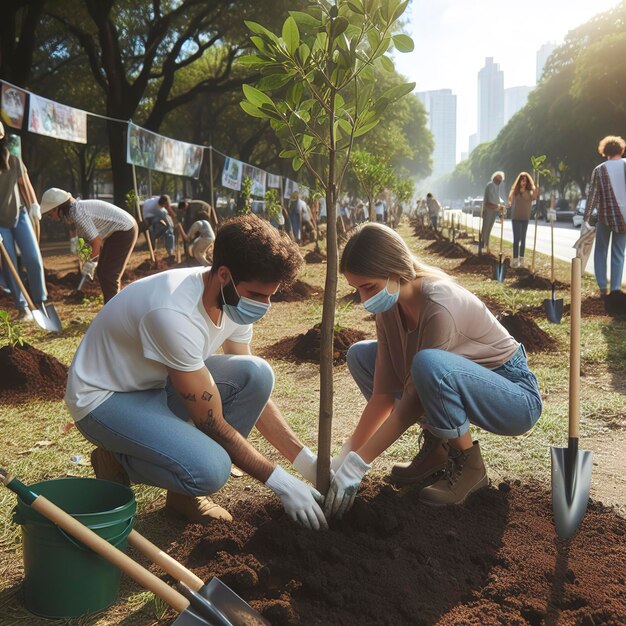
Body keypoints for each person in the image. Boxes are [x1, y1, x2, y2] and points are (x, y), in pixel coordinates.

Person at [65, 214, 326, 530]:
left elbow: (250, 388)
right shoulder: (173, 313)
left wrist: (306, 463)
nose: (264, 305)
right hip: (105, 399)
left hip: (155, 383)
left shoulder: (233, 301)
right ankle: (118, 460)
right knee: (212, 470)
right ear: (224, 275)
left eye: (271, 295)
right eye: (258, 295)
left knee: (257, 374)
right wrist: (281, 482)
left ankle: (182, 496)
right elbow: (211, 422)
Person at [322, 223, 542, 518]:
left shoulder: (440, 305)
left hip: (513, 396)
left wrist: (359, 464)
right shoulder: (389, 308)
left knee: (427, 365)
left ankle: (469, 465)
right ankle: (437, 448)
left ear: (395, 270)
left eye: (369, 287)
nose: (363, 299)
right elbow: (384, 395)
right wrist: (345, 455)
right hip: (454, 378)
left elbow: (412, 402)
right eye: (357, 289)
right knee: (361, 355)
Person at [41, 188, 139, 304]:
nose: (50, 217)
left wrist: (92, 262)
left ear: (57, 207)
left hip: (124, 230)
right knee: (103, 272)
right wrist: (87, 258)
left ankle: (114, 312)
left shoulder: (77, 213)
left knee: (109, 275)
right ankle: (111, 308)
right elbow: (88, 239)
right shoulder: (73, 212)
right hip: (116, 232)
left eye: (50, 213)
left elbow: (96, 242)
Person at [0, 121, 48, 321]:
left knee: (34, 259)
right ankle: (23, 308)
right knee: (10, 264)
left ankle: (40, 302)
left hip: (20, 216)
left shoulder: (14, 159)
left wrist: (34, 205)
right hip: (0, 223)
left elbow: (25, 184)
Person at [584, 135, 626, 312]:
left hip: (605, 218)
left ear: (604, 151)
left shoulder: (599, 170)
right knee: (618, 253)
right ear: (621, 149)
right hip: (624, 219)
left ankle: (602, 287)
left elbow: (593, 196)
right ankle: (615, 289)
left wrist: (586, 217)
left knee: (600, 251)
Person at [507, 172, 538, 268]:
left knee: (523, 239)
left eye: (525, 180)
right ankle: (515, 260)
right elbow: (510, 201)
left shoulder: (530, 192)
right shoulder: (515, 191)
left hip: (525, 218)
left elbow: (534, 197)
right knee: (517, 239)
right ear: (519, 181)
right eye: (522, 180)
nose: (523, 182)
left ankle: (521, 260)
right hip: (516, 217)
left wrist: (536, 186)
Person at [142, 194, 176, 261]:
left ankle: (153, 252)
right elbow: (169, 222)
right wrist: (174, 224)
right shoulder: (158, 210)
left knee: (154, 232)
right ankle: (170, 253)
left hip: (147, 215)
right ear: (164, 204)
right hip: (150, 218)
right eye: (166, 205)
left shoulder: (157, 199)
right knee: (169, 231)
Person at [481, 171, 505, 253]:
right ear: (494, 178)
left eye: (501, 179)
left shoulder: (497, 187)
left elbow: (497, 198)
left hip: (494, 210)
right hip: (488, 209)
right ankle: (483, 246)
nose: (499, 181)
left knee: (489, 228)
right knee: (486, 228)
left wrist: (501, 205)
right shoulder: (490, 185)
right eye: (498, 178)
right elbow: (489, 199)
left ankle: (486, 246)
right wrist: (496, 206)